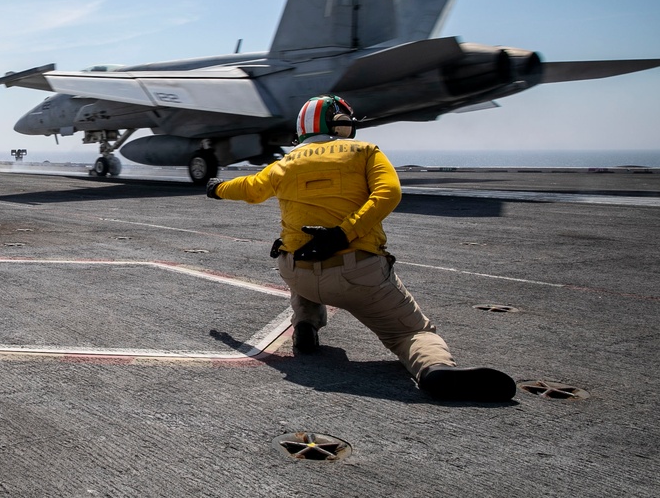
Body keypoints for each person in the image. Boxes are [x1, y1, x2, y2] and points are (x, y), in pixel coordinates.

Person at [206, 95, 516, 402]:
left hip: (298, 273)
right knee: (410, 333)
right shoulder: (365, 151)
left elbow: (249, 188)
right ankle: (435, 370)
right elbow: (389, 193)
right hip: (357, 276)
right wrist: (343, 234)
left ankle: (304, 324)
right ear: (337, 124)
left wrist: (216, 188)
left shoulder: (284, 164)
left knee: (299, 250)